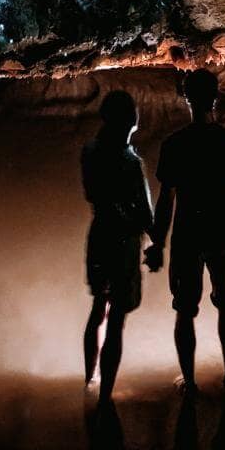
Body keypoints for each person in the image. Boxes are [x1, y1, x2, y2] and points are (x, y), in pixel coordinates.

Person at [147, 69, 225, 395]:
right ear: (215, 97)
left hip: (187, 233)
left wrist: (157, 242)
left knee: (184, 309)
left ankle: (189, 382)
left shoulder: (174, 144)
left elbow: (165, 200)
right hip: (222, 230)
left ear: (186, 97)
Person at [80, 90, 158, 402]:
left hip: (99, 235)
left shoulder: (90, 151)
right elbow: (146, 213)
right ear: (129, 119)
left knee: (99, 307)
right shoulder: (129, 162)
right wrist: (156, 244)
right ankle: (106, 394)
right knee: (116, 320)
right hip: (123, 243)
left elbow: (93, 195)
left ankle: (90, 379)